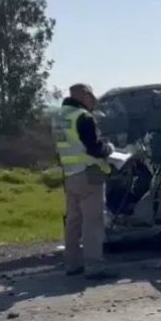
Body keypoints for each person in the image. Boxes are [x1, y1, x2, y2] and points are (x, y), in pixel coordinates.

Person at [52, 83, 116, 279]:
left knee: (73, 221)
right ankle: (94, 266)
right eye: (91, 96)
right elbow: (94, 148)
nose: (94, 100)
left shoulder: (58, 117)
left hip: (70, 175)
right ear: (84, 95)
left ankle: (72, 264)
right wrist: (110, 149)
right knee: (93, 222)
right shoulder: (83, 117)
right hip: (89, 174)